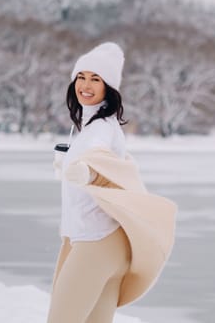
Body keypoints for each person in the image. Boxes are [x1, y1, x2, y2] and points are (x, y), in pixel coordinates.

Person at [47, 42, 177, 323]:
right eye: (81, 77)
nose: (86, 85)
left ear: (109, 88)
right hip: (109, 243)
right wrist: (68, 166)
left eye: (96, 79)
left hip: (96, 243)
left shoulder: (101, 129)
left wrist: (88, 173)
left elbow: (101, 159)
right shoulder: (91, 127)